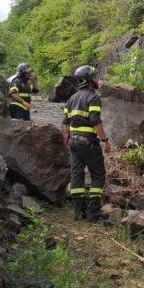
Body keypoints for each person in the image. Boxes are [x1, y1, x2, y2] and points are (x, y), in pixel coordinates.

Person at [62, 65, 111, 222]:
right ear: (88, 80)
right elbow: (95, 121)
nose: (97, 79)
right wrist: (104, 140)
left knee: (77, 174)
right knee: (98, 174)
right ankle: (93, 211)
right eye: (95, 77)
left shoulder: (71, 99)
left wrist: (67, 135)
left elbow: (66, 122)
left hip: (74, 142)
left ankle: (79, 210)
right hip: (88, 142)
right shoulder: (93, 97)